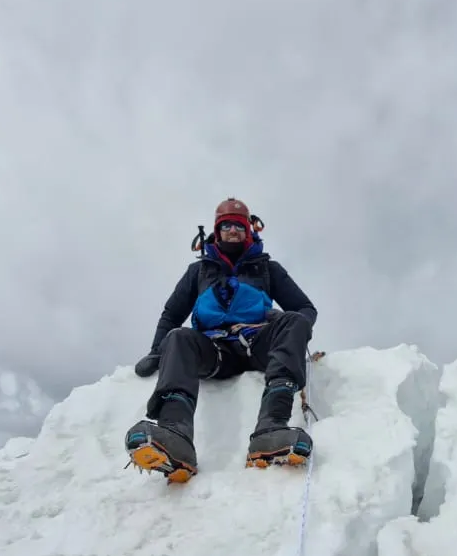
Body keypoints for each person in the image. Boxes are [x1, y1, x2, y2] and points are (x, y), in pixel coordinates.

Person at [125, 198, 318, 483]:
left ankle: (271, 427)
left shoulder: (267, 269)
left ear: (249, 231)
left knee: (295, 322)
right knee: (178, 338)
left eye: (239, 226)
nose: (232, 232)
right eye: (226, 226)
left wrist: (280, 322)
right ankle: (174, 434)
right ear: (217, 230)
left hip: (258, 343)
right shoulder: (199, 272)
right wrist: (156, 351)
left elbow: (305, 309)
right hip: (215, 351)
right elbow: (172, 315)